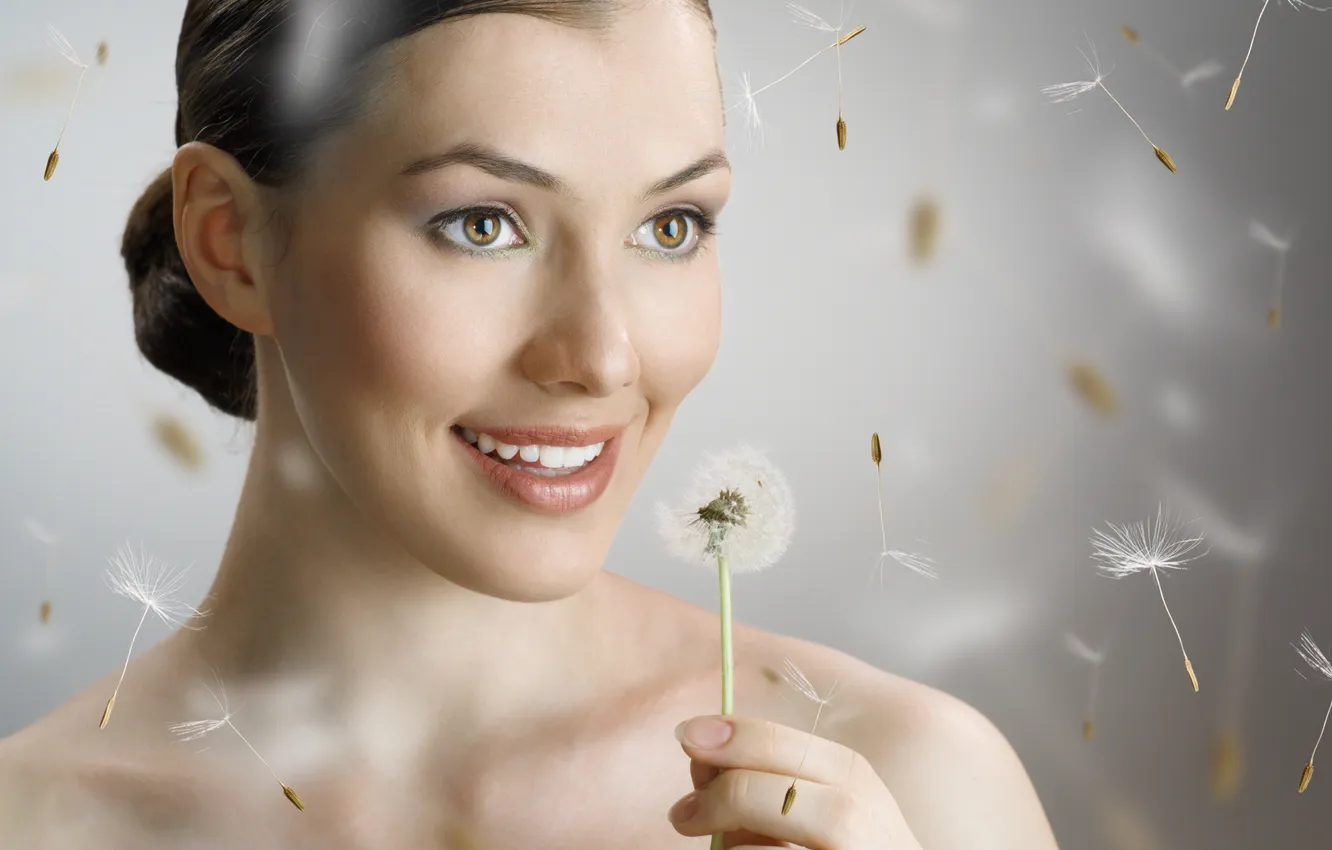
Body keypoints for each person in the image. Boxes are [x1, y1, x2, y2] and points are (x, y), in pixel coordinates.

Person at [0, 1, 1060, 847]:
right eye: (483, 223)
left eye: (671, 225)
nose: (603, 357)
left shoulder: (908, 783)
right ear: (230, 242)